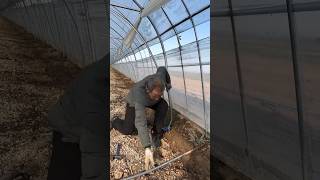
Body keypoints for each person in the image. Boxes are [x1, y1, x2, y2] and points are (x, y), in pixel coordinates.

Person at [47, 55, 107, 180]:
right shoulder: (98, 96)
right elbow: (96, 156)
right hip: (68, 125)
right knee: (65, 169)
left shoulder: (102, 72)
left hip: (78, 118)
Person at [111, 66, 171, 170]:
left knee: (163, 105)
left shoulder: (160, 78)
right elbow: (141, 121)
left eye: (160, 95)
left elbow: (162, 69)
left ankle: (155, 132)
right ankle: (115, 121)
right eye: (155, 95)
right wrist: (147, 147)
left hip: (149, 100)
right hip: (133, 101)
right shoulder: (139, 95)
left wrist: (168, 84)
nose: (158, 98)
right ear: (148, 91)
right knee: (128, 129)